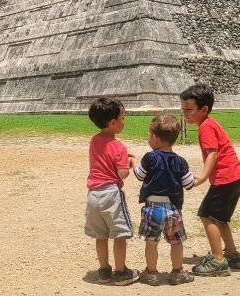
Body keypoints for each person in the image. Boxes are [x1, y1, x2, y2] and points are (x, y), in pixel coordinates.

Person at [180, 83, 240, 277]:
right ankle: (233, 255)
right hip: (237, 177)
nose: (185, 113)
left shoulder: (205, 127)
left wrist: (201, 177)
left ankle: (218, 260)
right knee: (220, 219)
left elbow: (213, 154)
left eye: (189, 109)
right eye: (183, 109)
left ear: (204, 109)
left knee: (206, 214)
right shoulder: (211, 122)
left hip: (225, 178)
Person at [130, 114, 195, 286]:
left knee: (152, 242)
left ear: (155, 138)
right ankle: (178, 272)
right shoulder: (180, 162)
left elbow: (139, 175)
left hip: (152, 208)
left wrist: (133, 161)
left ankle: (151, 273)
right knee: (176, 242)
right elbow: (189, 183)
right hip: (173, 210)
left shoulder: (150, 157)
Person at [84, 97, 140, 285]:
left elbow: (102, 160)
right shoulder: (119, 147)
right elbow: (122, 174)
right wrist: (129, 162)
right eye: (122, 118)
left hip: (93, 195)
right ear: (113, 122)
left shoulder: (94, 140)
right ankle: (121, 272)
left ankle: (104, 271)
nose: (124, 122)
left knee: (100, 235)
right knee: (119, 234)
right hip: (111, 194)